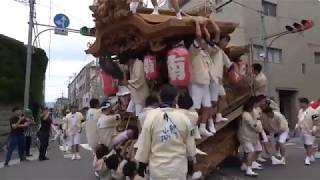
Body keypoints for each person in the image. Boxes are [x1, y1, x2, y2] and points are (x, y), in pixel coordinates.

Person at [135, 84, 198, 180]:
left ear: (160, 98)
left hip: (157, 171)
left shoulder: (151, 117)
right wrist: (191, 168)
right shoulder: (184, 118)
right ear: (176, 98)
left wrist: (141, 169)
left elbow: (144, 145)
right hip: (178, 170)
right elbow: (191, 147)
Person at [189, 38, 214, 137]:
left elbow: (210, 67)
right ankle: (194, 129)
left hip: (206, 83)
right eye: (203, 41)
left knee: (207, 106)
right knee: (195, 107)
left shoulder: (206, 53)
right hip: (196, 82)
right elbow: (195, 44)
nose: (205, 43)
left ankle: (202, 127)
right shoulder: (193, 50)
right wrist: (199, 38)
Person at [209, 36, 234, 124]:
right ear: (220, 40)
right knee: (213, 102)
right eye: (224, 41)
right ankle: (209, 120)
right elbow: (210, 45)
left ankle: (218, 116)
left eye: (227, 42)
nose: (225, 43)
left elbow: (230, 66)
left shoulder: (221, 52)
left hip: (219, 79)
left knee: (223, 97)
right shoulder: (213, 48)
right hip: (212, 78)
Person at [238, 97, 263, 177]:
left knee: (247, 151)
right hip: (245, 136)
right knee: (250, 151)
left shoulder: (249, 113)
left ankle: (244, 165)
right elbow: (254, 125)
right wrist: (259, 125)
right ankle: (249, 169)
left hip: (248, 136)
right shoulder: (246, 115)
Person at [296, 97, 320, 165]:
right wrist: (297, 126)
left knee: (309, 144)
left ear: (305, 103)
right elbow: (299, 119)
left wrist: (314, 129)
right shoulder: (300, 111)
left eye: (301, 103)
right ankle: (310, 154)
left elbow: (316, 121)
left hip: (310, 130)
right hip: (302, 130)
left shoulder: (313, 111)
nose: (299, 104)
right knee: (305, 144)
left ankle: (307, 158)